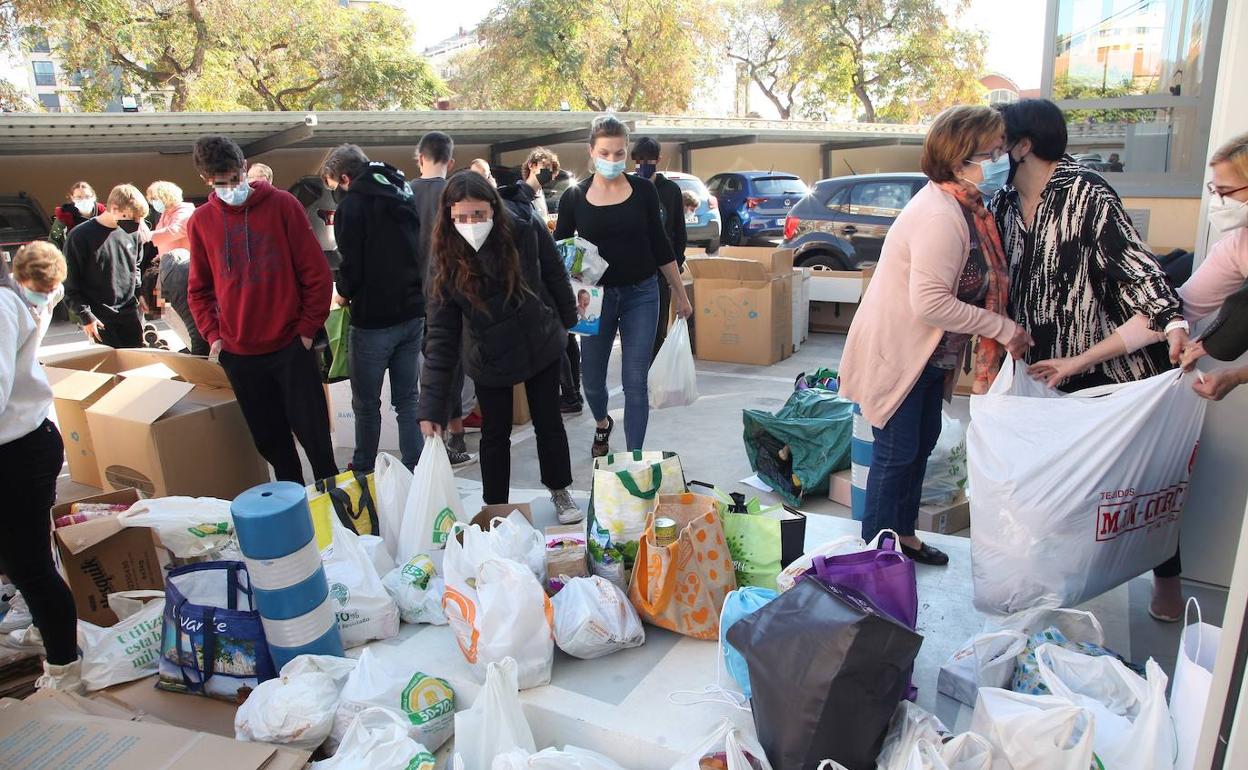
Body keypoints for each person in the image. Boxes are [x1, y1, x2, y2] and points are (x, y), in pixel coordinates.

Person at [989, 99, 1186, 618]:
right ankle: (1060, 584)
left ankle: (1166, 579)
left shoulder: (1086, 193)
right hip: (1046, 370)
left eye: (996, 139)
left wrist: (1172, 322)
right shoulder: (1005, 202)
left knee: (1133, 488)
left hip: (1112, 370)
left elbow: (1139, 270)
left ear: (1023, 145)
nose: (989, 150)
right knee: (1054, 483)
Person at [839, 105, 1033, 566]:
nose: (1002, 158)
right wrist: (1002, 328)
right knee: (897, 454)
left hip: (928, 357)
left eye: (1002, 149)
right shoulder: (940, 215)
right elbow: (930, 303)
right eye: (993, 151)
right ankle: (876, 557)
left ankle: (902, 538)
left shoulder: (966, 208)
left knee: (919, 447)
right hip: (900, 353)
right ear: (960, 159)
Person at [417, 171, 583, 524]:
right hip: (487, 353)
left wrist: (568, 319)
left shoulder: (524, 225)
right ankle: (495, 509)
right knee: (495, 434)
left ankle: (560, 490)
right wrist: (431, 407)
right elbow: (441, 338)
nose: (470, 223)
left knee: (548, 421)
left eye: (478, 215)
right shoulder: (444, 260)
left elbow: (553, 269)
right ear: (448, 216)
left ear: (494, 208)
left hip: (537, 338)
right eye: (460, 217)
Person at [186, 135, 337, 485]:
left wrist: (305, 329)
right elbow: (199, 290)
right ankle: (295, 511)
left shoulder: (282, 205)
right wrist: (215, 337)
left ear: (244, 169)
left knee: (315, 437)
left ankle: (336, 509)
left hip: (289, 346)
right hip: (240, 354)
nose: (229, 187)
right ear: (206, 180)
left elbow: (316, 273)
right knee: (273, 444)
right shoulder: (202, 221)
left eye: (235, 178)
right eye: (219, 182)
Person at [554, 116, 693, 456]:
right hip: (594, 298)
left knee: (635, 381)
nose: (612, 160)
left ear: (626, 153)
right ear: (591, 151)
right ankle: (603, 423)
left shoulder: (644, 192)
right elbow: (560, 249)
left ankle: (634, 459)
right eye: (605, 152)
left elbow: (661, 245)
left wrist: (680, 292)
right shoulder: (575, 196)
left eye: (619, 153)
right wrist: (564, 294)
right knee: (592, 384)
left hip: (642, 294)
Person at [0, 247, 81, 692]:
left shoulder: (3, 305)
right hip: (20, 444)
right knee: (23, 559)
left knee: (29, 566)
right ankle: (48, 629)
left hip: (18, 450)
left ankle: (65, 670)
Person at [321, 144, 426, 472]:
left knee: (366, 403)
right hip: (412, 312)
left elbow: (351, 263)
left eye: (335, 183)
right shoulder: (401, 190)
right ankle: (416, 468)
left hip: (373, 321)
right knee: (408, 400)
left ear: (345, 177)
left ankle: (364, 467)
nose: (336, 190)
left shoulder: (354, 206)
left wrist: (342, 291)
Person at [410, 132, 475, 465]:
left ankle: (434, 438)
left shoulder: (404, 193)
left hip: (413, 298)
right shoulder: (454, 195)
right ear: (450, 161)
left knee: (430, 368)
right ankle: (457, 437)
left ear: (420, 157)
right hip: (452, 291)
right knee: (453, 365)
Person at [62, 184, 149, 348]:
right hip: (99, 318)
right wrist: (85, 315)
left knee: (136, 368)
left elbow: (135, 266)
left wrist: (140, 293)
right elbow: (70, 281)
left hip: (130, 313)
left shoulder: (132, 232)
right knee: (110, 372)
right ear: (114, 208)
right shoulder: (80, 236)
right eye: (131, 218)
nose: (137, 224)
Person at [631, 136, 688, 360]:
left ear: (659, 160)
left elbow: (678, 231)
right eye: (640, 160)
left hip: (661, 272)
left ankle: (653, 371)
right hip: (633, 272)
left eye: (649, 161)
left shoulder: (670, 190)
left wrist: (676, 265)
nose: (644, 165)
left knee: (657, 328)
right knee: (635, 331)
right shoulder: (627, 186)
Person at [142, 181, 206, 355]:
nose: (154, 203)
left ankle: (196, 348)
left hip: (183, 272)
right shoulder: (166, 214)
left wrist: (147, 236)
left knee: (184, 316)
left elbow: (175, 231)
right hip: (168, 270)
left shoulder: (185, 211)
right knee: (166, 311)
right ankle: (191, 345)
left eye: (155, 199)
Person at [9, 241, 66, 342]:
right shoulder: (5, 297)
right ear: (21, 281)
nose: (45, 295)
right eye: (38, 289)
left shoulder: (58, 291)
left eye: (50, 289)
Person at [48, 181, 105, 252]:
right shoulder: (65, 215)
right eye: (79, 197)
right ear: (72, 198)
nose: (84, 200)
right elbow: (53, 240)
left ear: (93, 197)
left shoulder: (104, 214)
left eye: (87, 196)